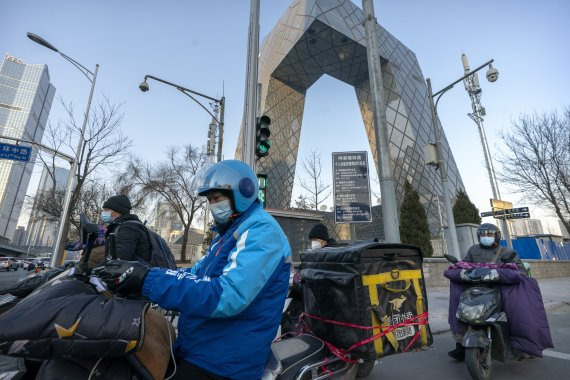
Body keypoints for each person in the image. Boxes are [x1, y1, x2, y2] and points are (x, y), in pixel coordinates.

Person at [94, 160, 292, 380]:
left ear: (244, 192)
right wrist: (139, 277)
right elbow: (192, 277)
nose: (212, 205)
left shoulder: (261, 230)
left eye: (217, 198)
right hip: (200, 345)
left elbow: (227, 295)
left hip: (226, 360)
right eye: (209, 200)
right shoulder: (225, 237)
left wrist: (149, 279)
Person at [448, 222, 525, 361]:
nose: (486, 236)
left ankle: (519, 344)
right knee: (463, 313)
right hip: (475, 289)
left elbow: (520, 271)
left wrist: (500, 274)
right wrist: (460, 271)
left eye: (489, 234)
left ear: (496, 236)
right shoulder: (473, 250)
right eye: (482, 234)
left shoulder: (507, 252)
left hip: (498, 289)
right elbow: (465, 264)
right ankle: (461, 345)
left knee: (515, 313)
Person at [281, 223, 337, 334]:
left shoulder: (329, 254)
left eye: (315, 239)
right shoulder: (317, 253)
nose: (313, 243)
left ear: (323, 240)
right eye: (312, 240)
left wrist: (298, 277)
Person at [101, 194, 151, 263]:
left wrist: (95, 269)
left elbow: (119, 258)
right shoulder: (122, 226)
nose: (103, 212)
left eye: (106, 210)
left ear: (118, 211)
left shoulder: (128, 228)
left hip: (136, 272)